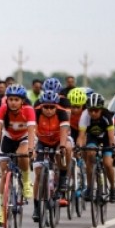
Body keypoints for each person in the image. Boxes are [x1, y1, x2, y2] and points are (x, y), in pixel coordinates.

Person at [0, 84, 36, 226]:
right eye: (10, 99)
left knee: (22, 154)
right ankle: (2, 210)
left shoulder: (29, 110)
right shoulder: (2, 110)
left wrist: (31, 148)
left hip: (24, 138)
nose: (13, 102)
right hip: (9, 138)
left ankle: (25, 180)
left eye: (16, 99)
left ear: (22, 101)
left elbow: (31, 131)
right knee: (5, 173)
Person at [32, 91, 72, 220]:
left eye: (52, 107)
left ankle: (62, 179)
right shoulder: (36, 113)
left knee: (65, 149)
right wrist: (32, 148)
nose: (49, 110)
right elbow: (31, 131)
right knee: (38, 174)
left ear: (56, 106)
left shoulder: (62, 113)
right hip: (42, 142)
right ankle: (37, 208)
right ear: (41, 106)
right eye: (46, 107)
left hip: (57, 140)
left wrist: (61, 146)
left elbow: (64, 132)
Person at [77, 93, 115, 203]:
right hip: (92, 137)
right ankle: (90, 187)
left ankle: (113, 188)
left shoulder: (107, 115)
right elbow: (81, 136)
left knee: (108, 163)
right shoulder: (85, 116)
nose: (93, 113)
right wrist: (79, 147)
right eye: (91, 110)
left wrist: (112, 148)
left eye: (96, 110)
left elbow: (111, 136)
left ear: (101, 109)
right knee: (90, 155)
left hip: (106, 138)